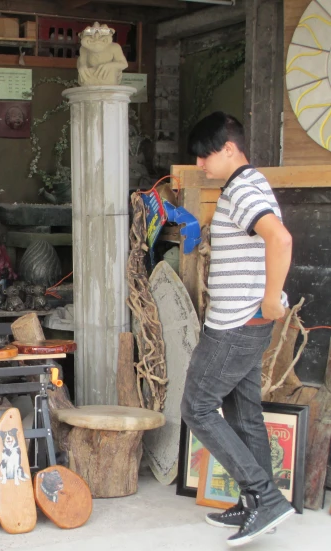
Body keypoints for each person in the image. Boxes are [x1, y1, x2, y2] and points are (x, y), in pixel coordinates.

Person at [181, 112, 294, 547]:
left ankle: (263, 497)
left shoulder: (243, 188)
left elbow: (280, 239)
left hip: (235, 325)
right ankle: (258, 502)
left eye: (205, 156)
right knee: (244, 414)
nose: (200, 166)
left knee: (198, 407)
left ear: (229, 148)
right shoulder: (248, 185)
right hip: (246, 323)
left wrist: (271, 296)